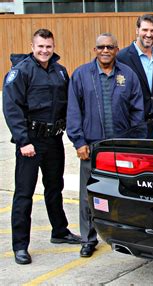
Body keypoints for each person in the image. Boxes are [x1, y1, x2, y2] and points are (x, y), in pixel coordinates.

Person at [2, 28, 81, 265]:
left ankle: (59, 231)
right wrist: (23, 140)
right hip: (30, 141)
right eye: (40, 46)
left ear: (53, 46)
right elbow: (11, 107)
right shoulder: (21, 71)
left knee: (55, 188)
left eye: (48, 46)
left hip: (54, 140)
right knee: (24, 194)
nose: (45, 51)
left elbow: (69, 103)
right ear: (32, 46)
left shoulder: (60, 71)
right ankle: (20, 246)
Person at [66, 33, 144, 258]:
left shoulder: (127, 75)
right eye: (101, 47)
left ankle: (125, 235)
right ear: (95, 49)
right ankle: (88, 239)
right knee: (87, 195)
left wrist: (132, 142)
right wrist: (79, 141)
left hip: (120, 148)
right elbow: (73, 111)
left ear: (117, 49)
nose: (105, 51)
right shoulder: (81, 75)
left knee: (124, 192)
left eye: (110, 47)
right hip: (92, 147)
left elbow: (137, 111)